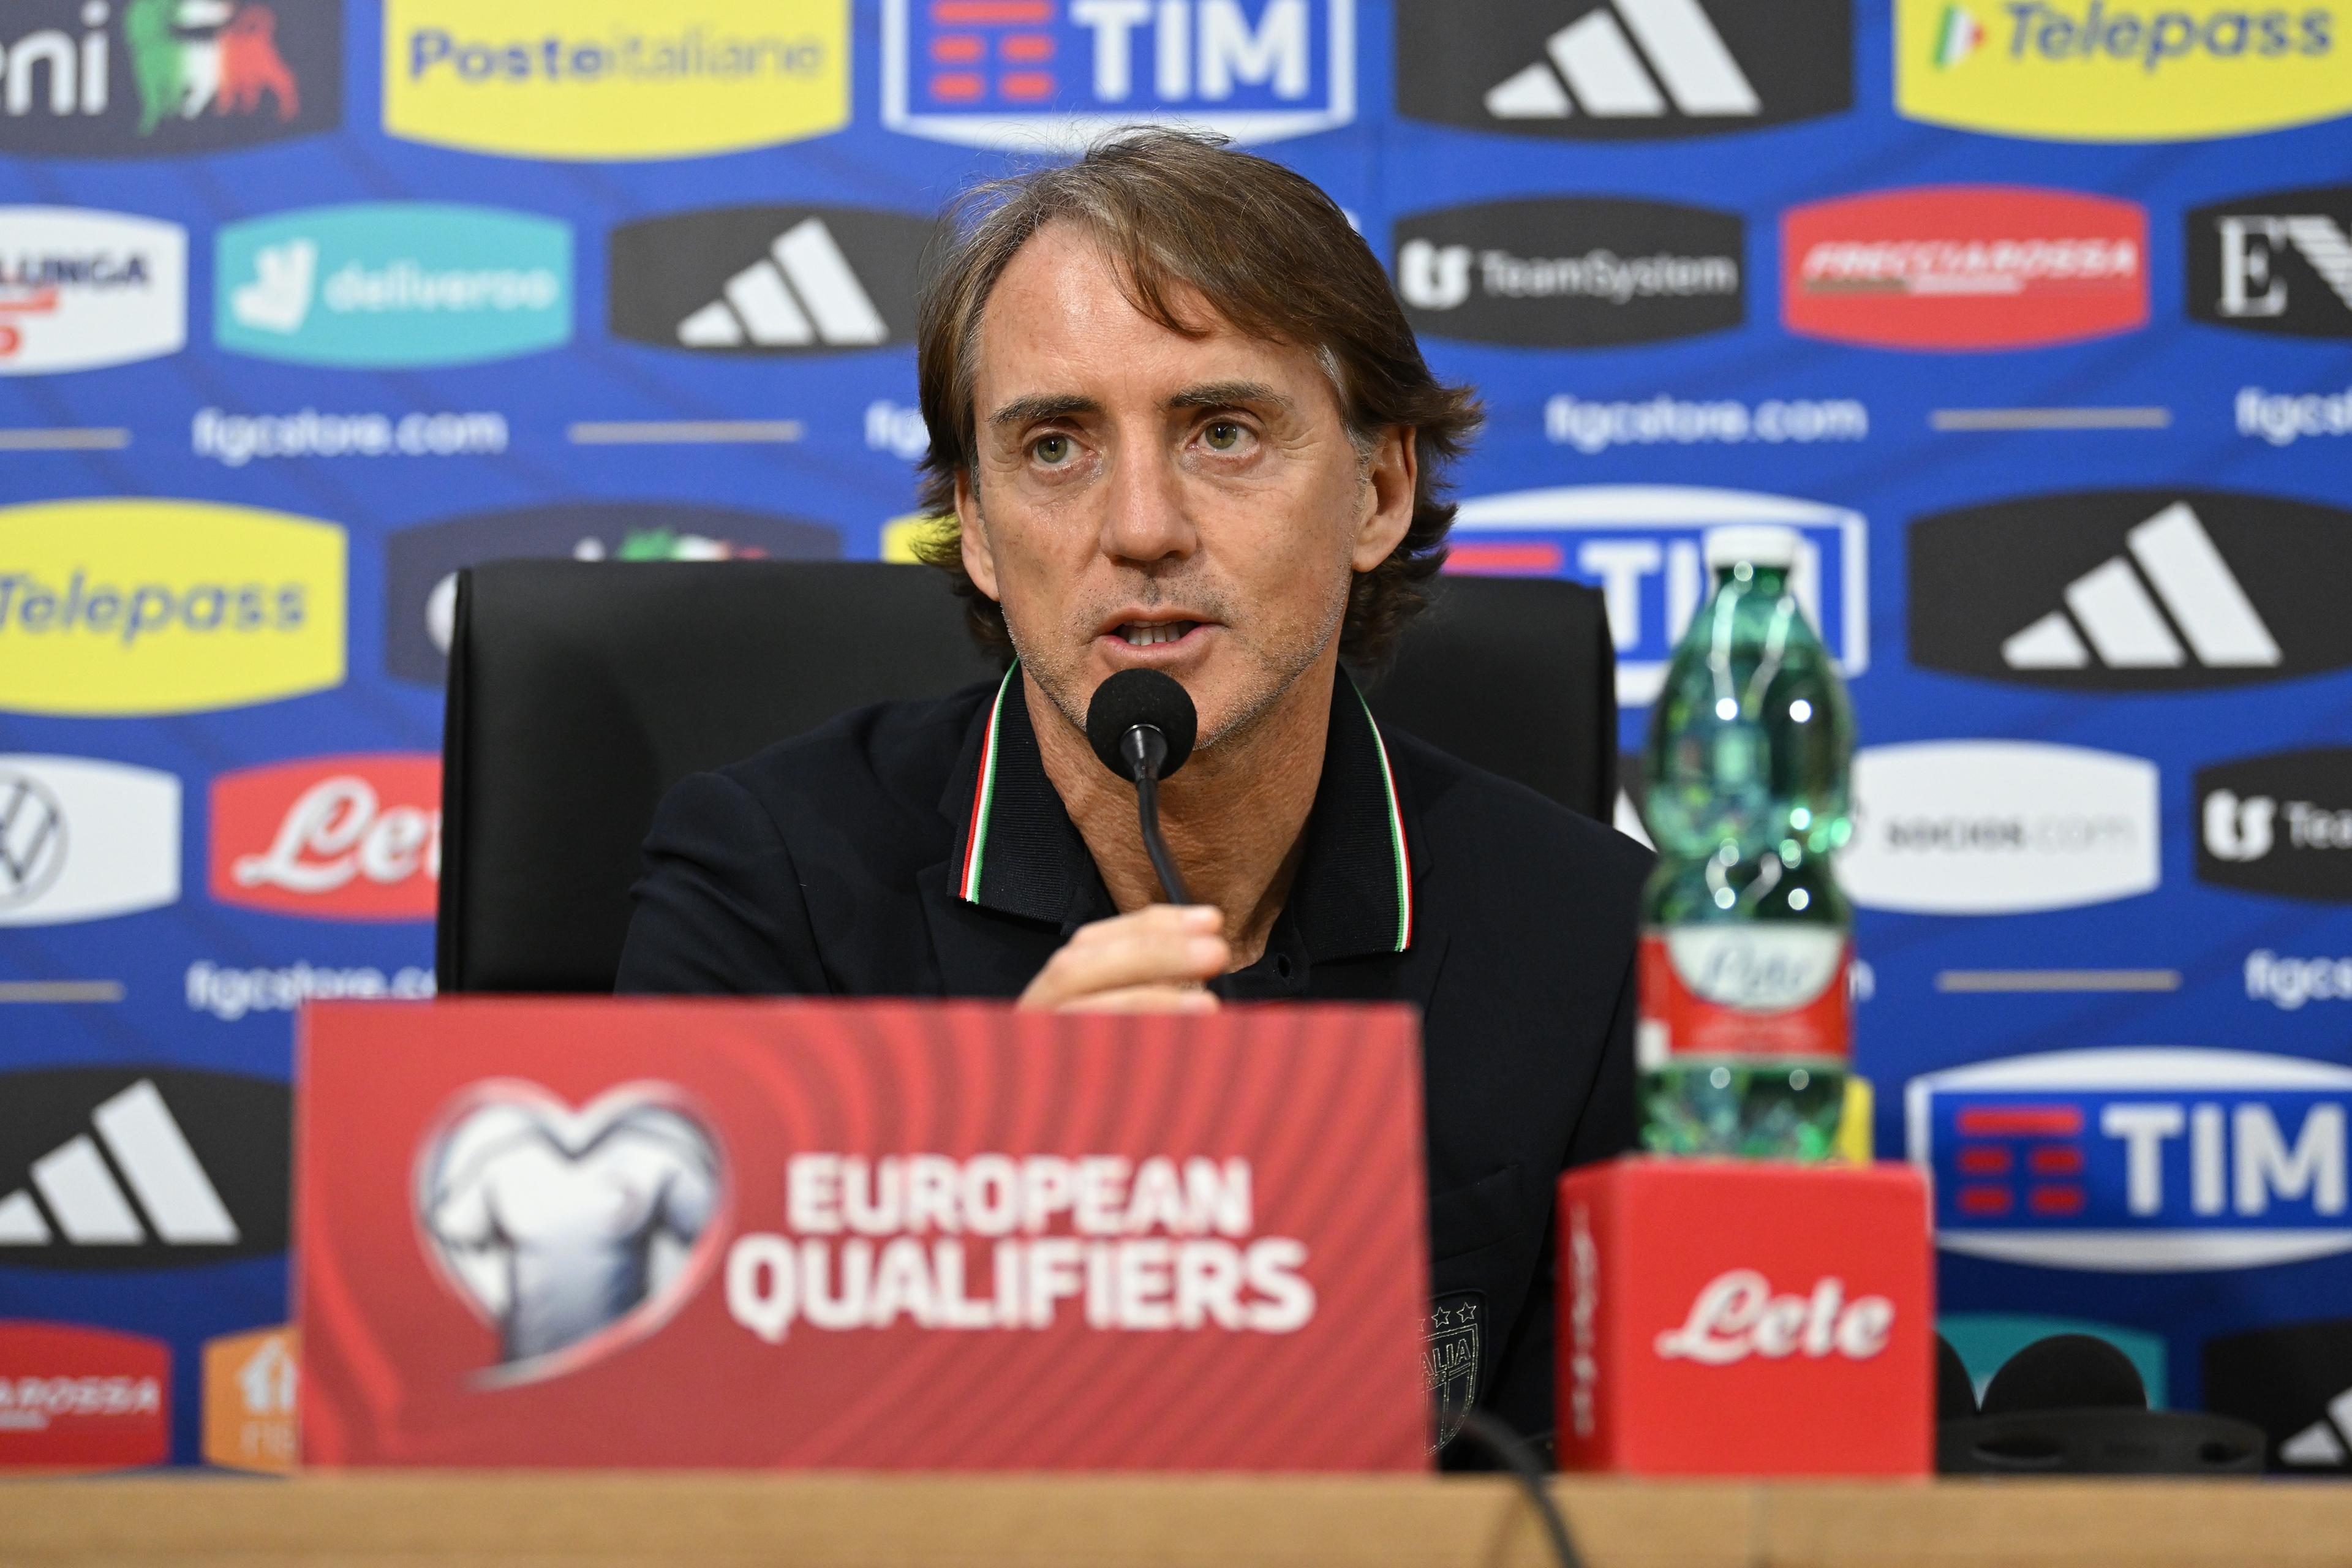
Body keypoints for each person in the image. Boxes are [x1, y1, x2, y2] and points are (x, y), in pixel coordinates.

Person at [616, 129, 1649, 1455]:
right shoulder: (770, 892)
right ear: (979, 528)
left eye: (1223, 431)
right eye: (1055, 446)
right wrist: (986, 1218)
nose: (1142, 524)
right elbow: (658, 1449)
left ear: (1379, 490)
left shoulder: (1595, 934)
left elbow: (1670, 1480)